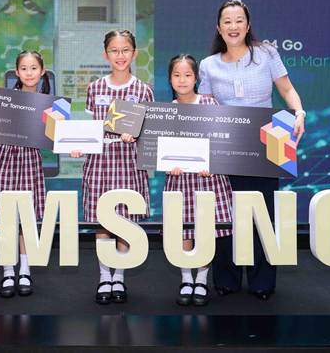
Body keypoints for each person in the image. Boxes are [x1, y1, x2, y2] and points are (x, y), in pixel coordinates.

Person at [198, 0, 305, 301]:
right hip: (225, 146)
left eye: (239, 20)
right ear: (219, 27)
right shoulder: (208, 65)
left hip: (268, 143)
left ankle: (262, 281)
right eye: (227, 21)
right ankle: (226, 278)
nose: (233, 26)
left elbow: (286, 89)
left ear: (247, 25)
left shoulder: (267, 53)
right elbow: (204, 106)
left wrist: (299, 112)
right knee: (225, 214)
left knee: (263, 214)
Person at [71, 30, 153, 305]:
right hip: (100, 163)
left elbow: (149, 133)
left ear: (134, 53)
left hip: (129, 163)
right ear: (106, 55)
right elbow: (92, 128)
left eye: (125, 50)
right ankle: (104, 276)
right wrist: (77, 144)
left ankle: (119, 277)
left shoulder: (143, 90)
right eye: (115, 51)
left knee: (125, 222)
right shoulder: (95, 88)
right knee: (102, 222)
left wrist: (137, 136)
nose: (120, 55)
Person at [0, 51, 50, 298]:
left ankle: (25, 270)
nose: (29, 73)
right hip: (3, 159)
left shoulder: (50, 103)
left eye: (34, 68)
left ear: (42, 71)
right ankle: (8, 271)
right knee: (7, 218)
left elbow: (56, 137)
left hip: (30, 161)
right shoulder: (4, 99)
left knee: (26, 219)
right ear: (17, 72)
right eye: (24, 68)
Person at [164, 54, 233, 307]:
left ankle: (201, 280)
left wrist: (213, 163)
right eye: (177, 75)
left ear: (196, 78)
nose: (182, 80)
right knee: (184, 229)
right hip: (179, 180)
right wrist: (168, 164)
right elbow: (161, 147)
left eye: (187, 75)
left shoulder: (210, 103)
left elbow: (223, 140)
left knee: (206, 230)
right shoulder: (167, 111)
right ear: (170, 79)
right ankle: (186, 279)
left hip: (209, 179)